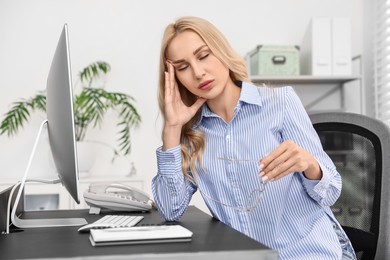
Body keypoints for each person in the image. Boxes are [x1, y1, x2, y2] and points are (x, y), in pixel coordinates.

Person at [151, 16, 356, 260]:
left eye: (204, 55)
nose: (198, 72)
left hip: (308, 253)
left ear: (221, 51)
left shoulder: (281, 103)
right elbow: (169, 209)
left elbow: (331, 190)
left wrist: (310, 165)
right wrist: (172, 129)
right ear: (174, 78)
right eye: (183, 67)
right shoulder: (191, 134)